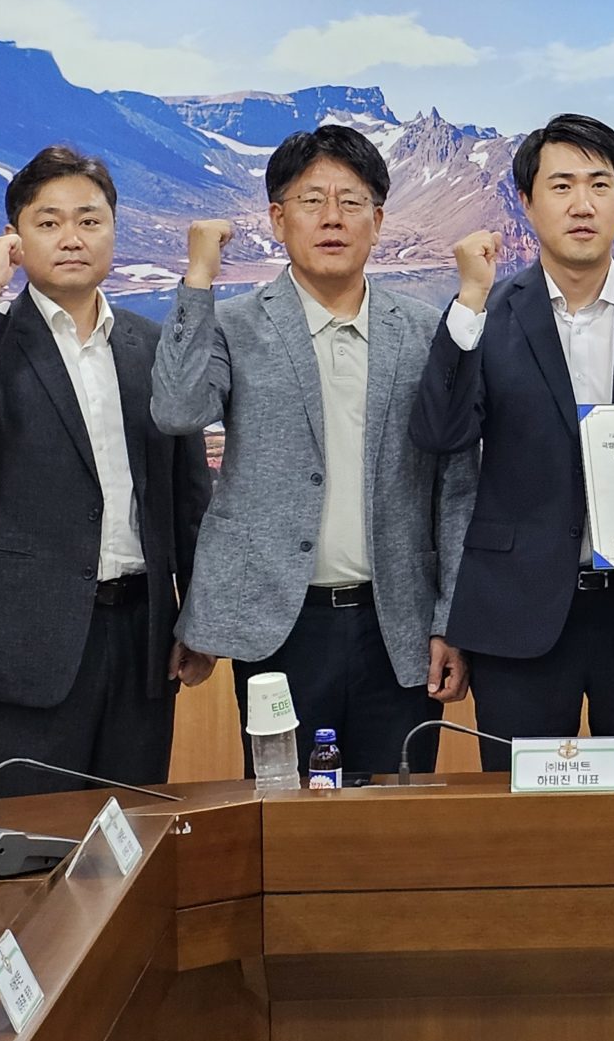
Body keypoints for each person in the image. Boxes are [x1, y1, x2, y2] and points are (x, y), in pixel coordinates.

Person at [152, 125, 474, 779]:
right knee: (284, 816)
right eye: (311, 200)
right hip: (279, 626)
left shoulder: (424, 332)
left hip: (399, 626)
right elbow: (178, 410)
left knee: (397, 813)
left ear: (377, 221)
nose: (332, 218)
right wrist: (199, 278)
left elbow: (456, 486)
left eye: (351, 201)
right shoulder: (235, 324)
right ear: (278, 219)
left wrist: (451, 619)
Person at [410, 114, 614, 771]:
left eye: (600, 184)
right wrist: (469, 298)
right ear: (526, 203)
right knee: (524, 816)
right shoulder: (483, 316)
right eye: (562, 185)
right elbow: (440, 432)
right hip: (516, 616)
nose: (583, 203)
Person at [0, 146, 213, 797]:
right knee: (31, 839)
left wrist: (197, 615)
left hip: (141, 638)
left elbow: (189, 497)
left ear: (114, 230)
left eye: (89, 220)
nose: (72, 238)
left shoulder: (149, 344)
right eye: (48, 222)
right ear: (15, 238)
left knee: (132, 832)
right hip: (25, 641)